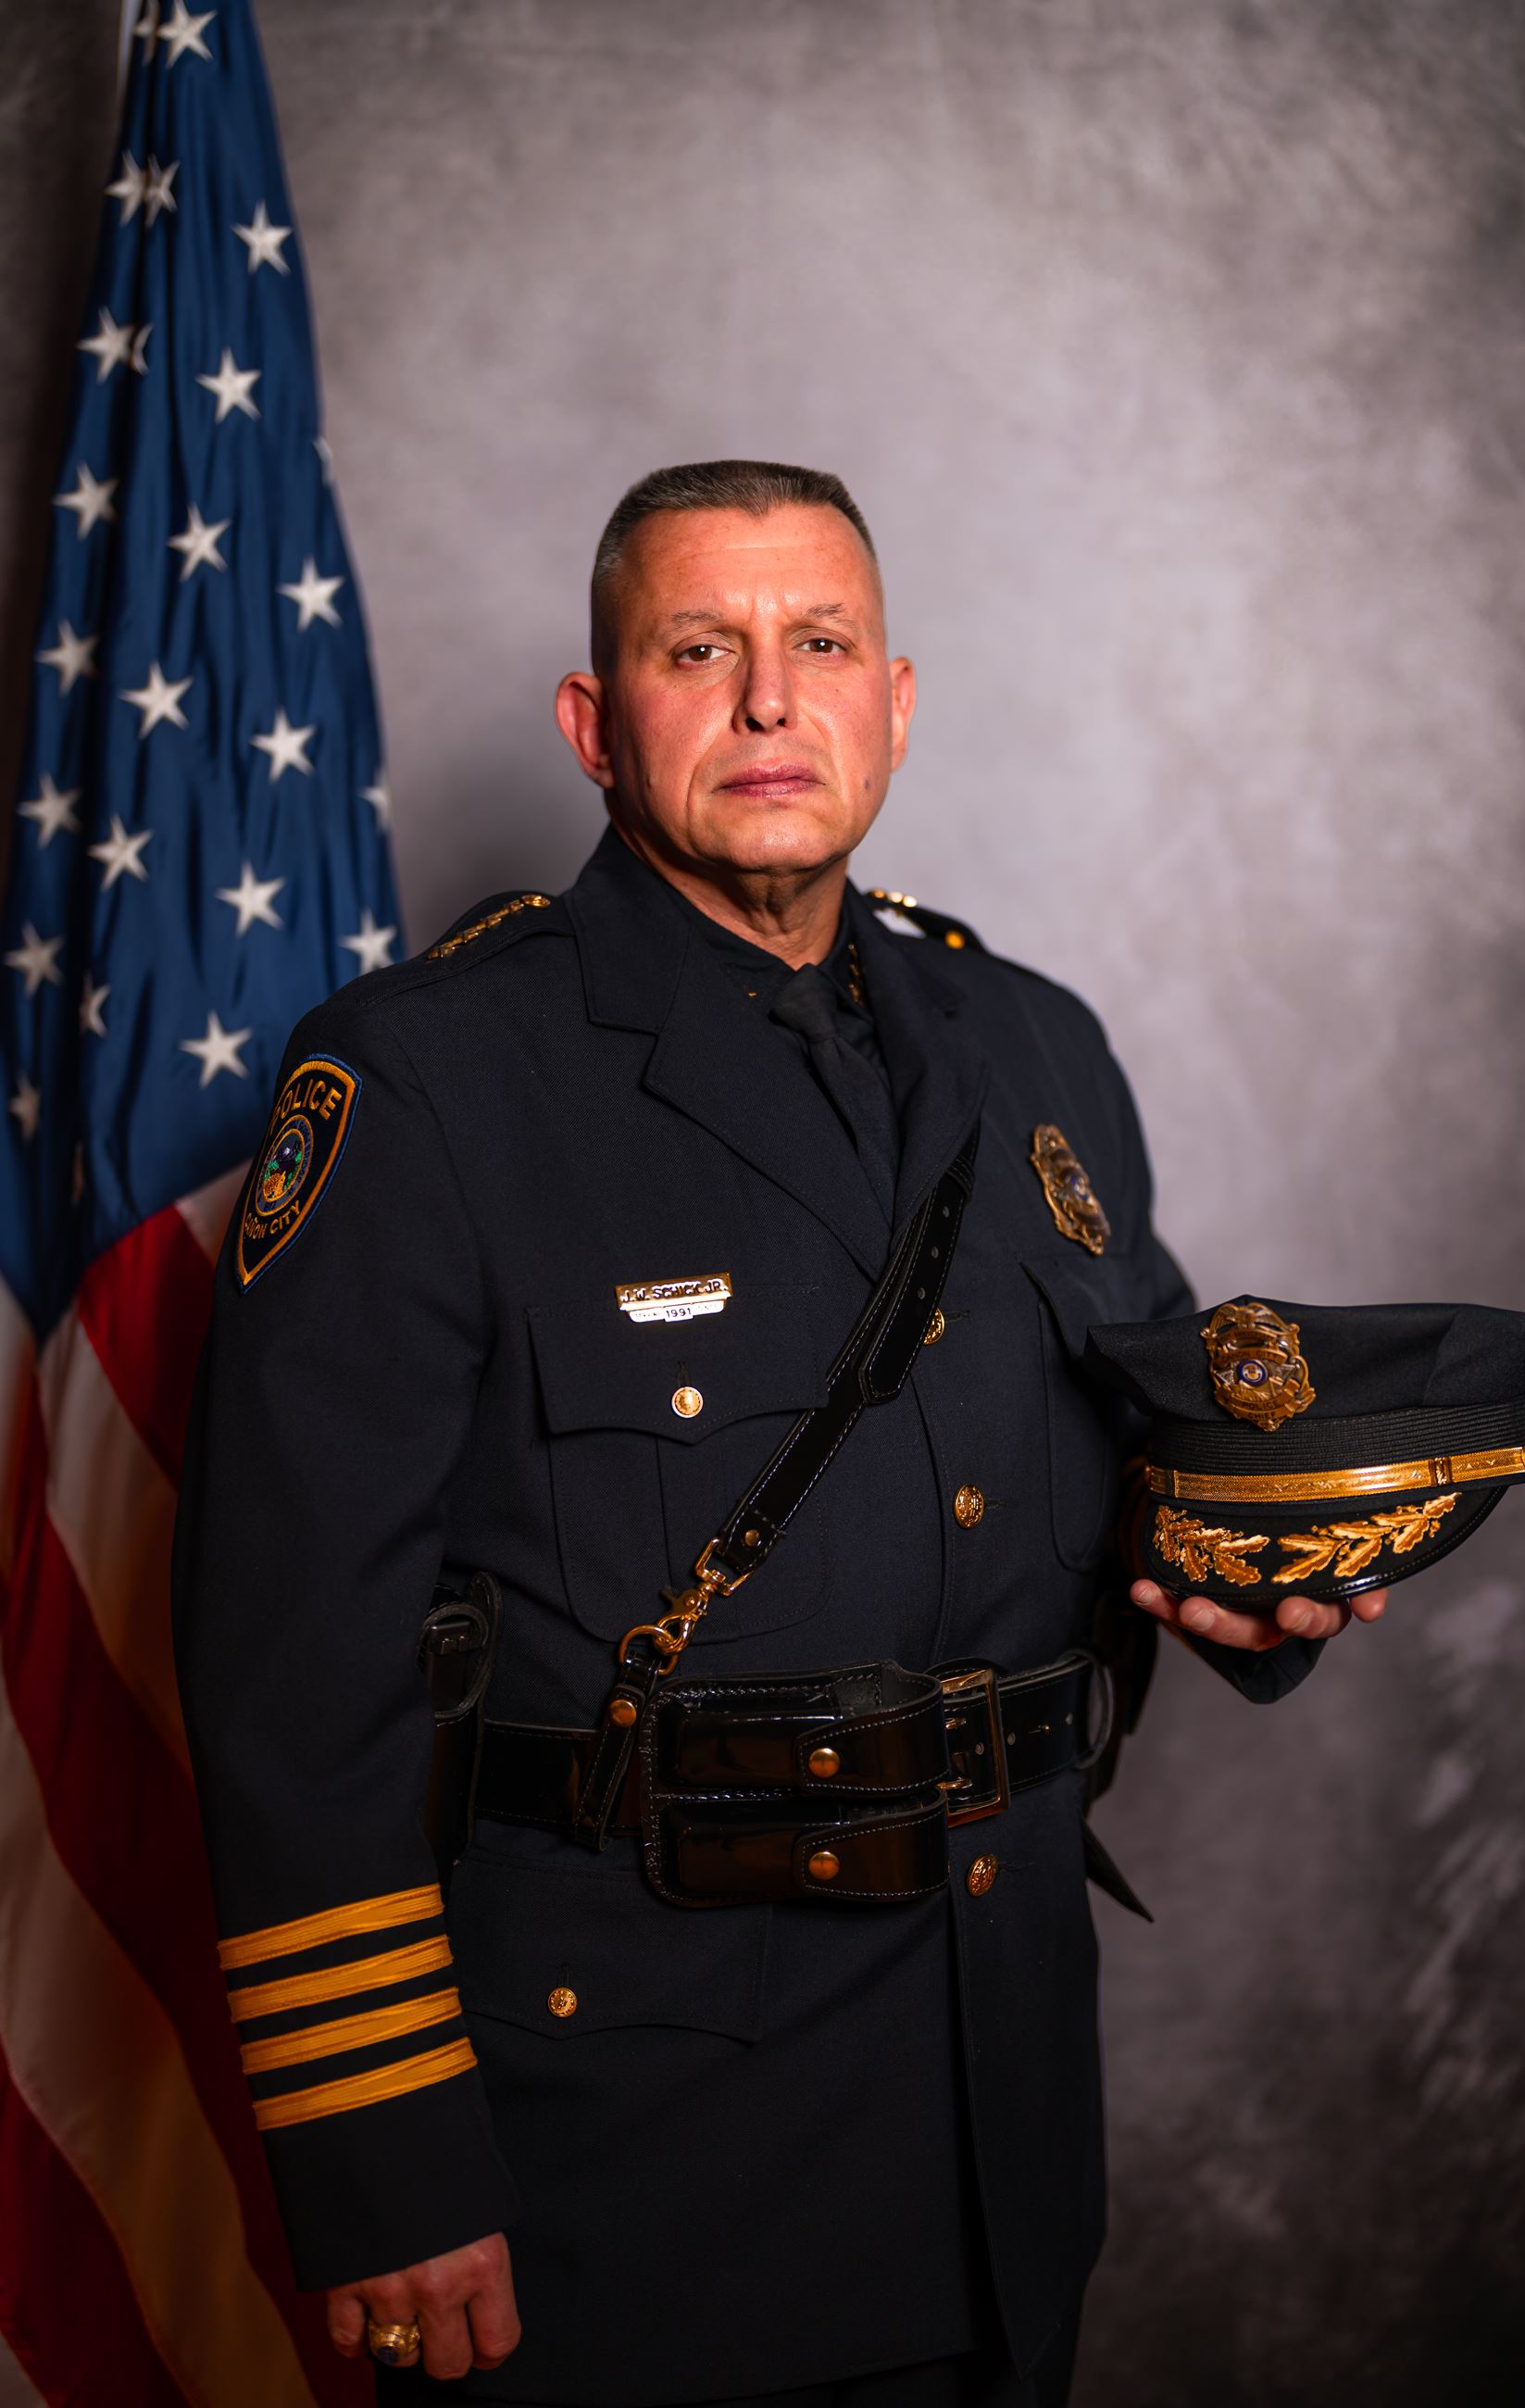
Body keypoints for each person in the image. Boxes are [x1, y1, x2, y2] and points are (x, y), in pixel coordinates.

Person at [172, 461, 1387, 2405]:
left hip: (995, 2116)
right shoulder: (425, 1082)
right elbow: (286, 1672)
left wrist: (1253, 1589)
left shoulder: (1037, 1046)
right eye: (695, 647)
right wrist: (382, 2162)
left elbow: (1138, 1456)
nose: (766, 700)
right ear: (594, 723)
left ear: (894, 701)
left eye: (819, 643)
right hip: (630, 2152)